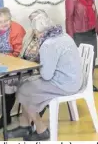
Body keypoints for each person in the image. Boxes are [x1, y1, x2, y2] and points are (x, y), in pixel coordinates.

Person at [7, 12, 84, 141]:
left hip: (64, 84)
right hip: (74, 79)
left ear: (37, 31)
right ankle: (25, 125)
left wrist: (35, 73)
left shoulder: (48, 44)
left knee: (23, 88)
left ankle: (41, 129)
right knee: (26, 84)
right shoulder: (63, 35)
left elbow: (47, 76)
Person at [0, 7, 26, 130]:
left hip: (15, 62)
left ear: (10, 19)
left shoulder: (17, 29)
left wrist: (5, 60)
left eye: (6, 20)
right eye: (0, 22)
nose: (3, 24)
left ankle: (6, 116)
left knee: (8, 85)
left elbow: (18, 52)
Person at [65, 0, 98, 92]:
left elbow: (95, 15)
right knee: (80, 60)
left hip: (91, 33)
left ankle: (89, 84)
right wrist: (70, 36)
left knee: (92, 59)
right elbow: (69, 18)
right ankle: (78, 84)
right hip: (78, 34)